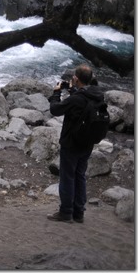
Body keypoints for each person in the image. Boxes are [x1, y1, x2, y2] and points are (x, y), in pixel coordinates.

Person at [46, 63, 103, 224]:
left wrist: (56, 93)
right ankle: (79, 213)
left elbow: (55, 110)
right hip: (87, 143)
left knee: (67, 177)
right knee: (80, 176)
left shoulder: (77, 99)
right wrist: (73, 90)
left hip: (71, 143)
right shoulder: (96, 95)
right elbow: (81, 104)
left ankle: (65, 212)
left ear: (76, 78)